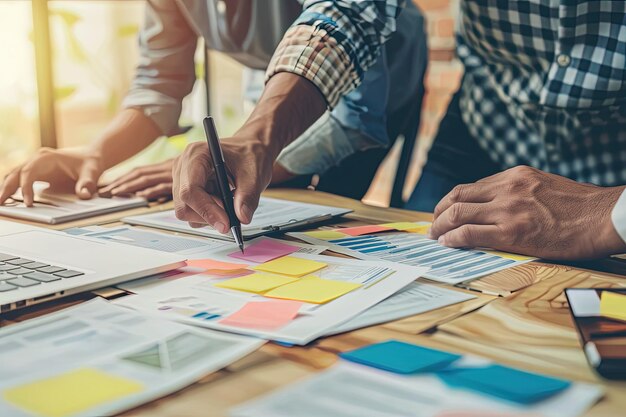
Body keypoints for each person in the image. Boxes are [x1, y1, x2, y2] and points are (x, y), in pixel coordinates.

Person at [170, 0, 626, 260]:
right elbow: (350, 12)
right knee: (417, 260)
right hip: (489, 131)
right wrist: (256, 138)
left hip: (616, 165)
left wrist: (613, 212)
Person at [0, 1, 425, 205]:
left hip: (367, 76)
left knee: (309, 215)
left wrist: (239, 162)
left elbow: (355, 117)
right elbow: (160, 81)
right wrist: (96, 153)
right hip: (276, 74)